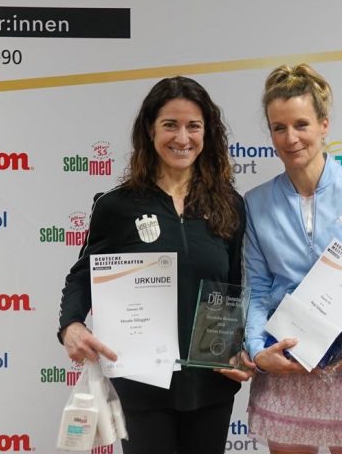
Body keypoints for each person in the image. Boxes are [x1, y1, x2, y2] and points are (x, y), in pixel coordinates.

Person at [58, 76, 253, 454]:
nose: (182, 137)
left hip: (210, 383)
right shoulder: (117, 206)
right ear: (150, 130)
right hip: (141, 383)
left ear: (207, 132)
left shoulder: (229, 205)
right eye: (170, 125)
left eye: (193, 126)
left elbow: (233, 285)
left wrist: (238, 346)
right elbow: (82, 277)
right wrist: (71, 325)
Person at [243, 64, 342, 454]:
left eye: (301, 124)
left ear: (324, 125)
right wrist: (258, 350)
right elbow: (256, 288)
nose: (291, 138)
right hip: (285, 372)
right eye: (279, 128)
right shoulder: (256, 202)